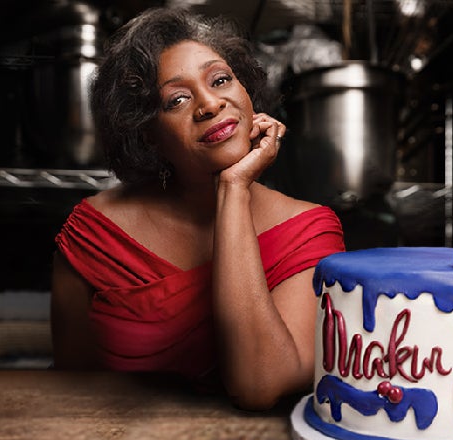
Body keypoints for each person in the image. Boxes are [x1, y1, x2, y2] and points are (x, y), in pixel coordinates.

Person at [50, 7, 345, 410]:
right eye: (177, 100)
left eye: (220, 80)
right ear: (148, 134)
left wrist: (234, 188)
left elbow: (260, 385)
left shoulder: (311, 231)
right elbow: (69, 393)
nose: (210, 104)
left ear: (246, 91)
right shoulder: (93, 234)